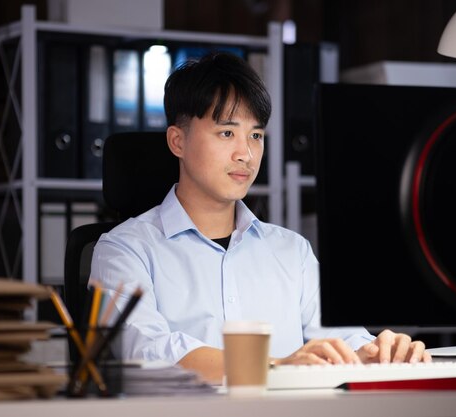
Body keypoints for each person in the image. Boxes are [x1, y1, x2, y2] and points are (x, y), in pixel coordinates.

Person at [90, 52, 431, 384]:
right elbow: (143, 351)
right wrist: (276, 366)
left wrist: (376, 352)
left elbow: (341, 340)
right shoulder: (124, 249)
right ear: (178, 141)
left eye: (256, 135)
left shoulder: (291, 251)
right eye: (227, 133)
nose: (247, 154)